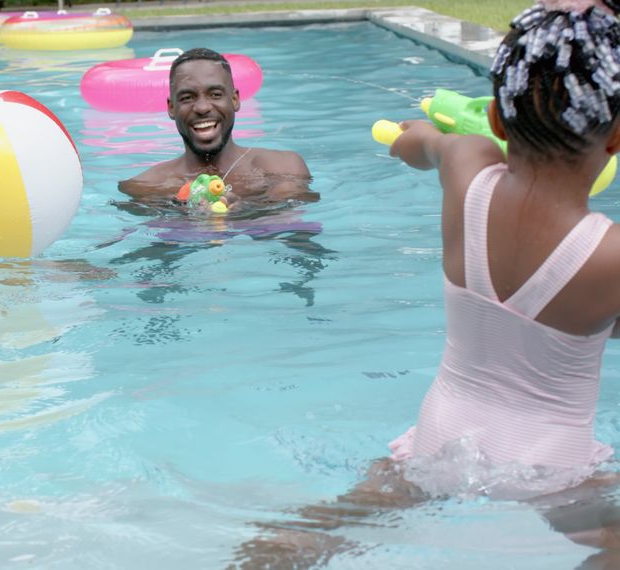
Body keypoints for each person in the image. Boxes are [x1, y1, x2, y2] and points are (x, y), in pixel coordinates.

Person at [232, 1, 620, 566]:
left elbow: (413, 140)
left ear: (493, 119)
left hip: (439, 439)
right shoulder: (609, 256)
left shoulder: (467, 168)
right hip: (549, 465)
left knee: (330, 526)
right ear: (615, 139)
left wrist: (427, 136)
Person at [117, 47, 316, 208]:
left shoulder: (282, 168)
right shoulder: (144, 187)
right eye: (187, 98)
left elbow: (291, 229)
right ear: (171, 108)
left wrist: (243, 212)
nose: (202, 108)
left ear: (235, 99)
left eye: (215, 94)